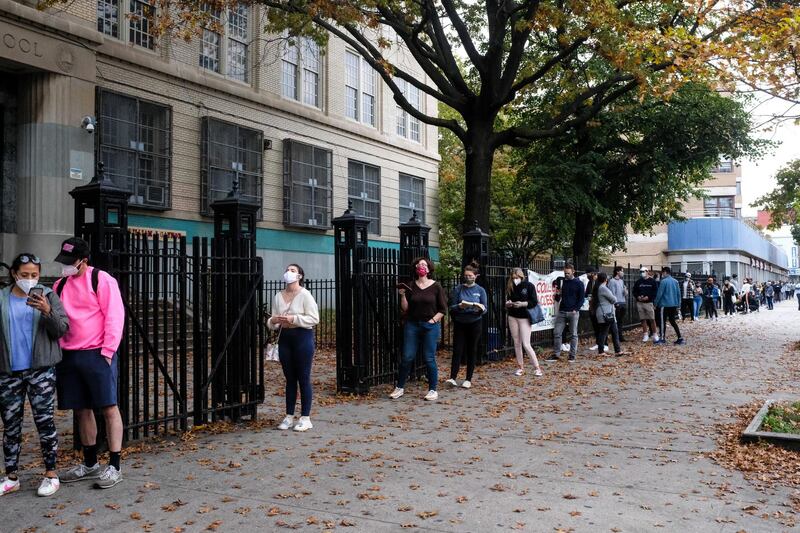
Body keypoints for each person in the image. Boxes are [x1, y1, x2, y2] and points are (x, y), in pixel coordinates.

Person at [53, 238, 125, 489]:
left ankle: (114, 466)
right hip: (69, 354)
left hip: (97, 352)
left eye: (70, 263)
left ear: (84, 261)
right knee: (81, 409)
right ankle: (90, 463)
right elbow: (58, 318)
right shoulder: (60, 284)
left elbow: (114, 316)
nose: (65, 267)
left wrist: (108, 351)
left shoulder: (102, 279)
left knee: (108, 407)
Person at [0, 254, 69, 497]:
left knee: (45, 422)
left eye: (34, 275)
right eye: (24, 275)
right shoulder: (2, 298)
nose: (30, 280)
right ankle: (11, 477)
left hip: (41, 370)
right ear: (14, 274)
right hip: (8, 372)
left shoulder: (48, 295)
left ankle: (51, 474)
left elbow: (62, 328)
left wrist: (48, 311)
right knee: (10, 425)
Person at [268, 264, 320, 432]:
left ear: (299, 276)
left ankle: (305, 417)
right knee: (289, 378)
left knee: (303, 377)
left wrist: (293, 319)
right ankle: (289, 415)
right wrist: (273, 321)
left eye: (293, 270)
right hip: (285, 339)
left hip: (302, 338)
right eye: (287, 270)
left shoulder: (305, 295)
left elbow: (314, 318)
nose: (288, 273)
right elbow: (272, 320)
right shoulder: (278, 296)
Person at [391, 258, 447, 401]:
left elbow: (443, 309)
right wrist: (403, 295)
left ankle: (433, 389)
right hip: (412, 325)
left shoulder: (436, 286)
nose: (421, 266)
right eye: (419, 265)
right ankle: (400, 387)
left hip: (430, 326)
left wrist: (433, 320)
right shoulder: (411, 286)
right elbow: (405, 309)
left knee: (429, 358)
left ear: (428, 269)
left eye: (424, 265)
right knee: (407, 357)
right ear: (416, 268)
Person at [446, 263, 488, 387]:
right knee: (457, 350)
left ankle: (468, 379)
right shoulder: (458, 289)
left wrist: (478, 308)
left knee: (472, 350)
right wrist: (459, 306)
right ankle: (453, 377)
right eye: (466, 275)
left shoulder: (480, 290)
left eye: (470, 275)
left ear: (476, 276)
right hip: (460, 322)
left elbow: (485, 308)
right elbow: (451, 307)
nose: (468, 278)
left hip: (475, 323)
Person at [503, 268, 542, 377]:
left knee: (526, 343)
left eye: (517, 278)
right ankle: (520, 366)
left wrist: (523, 304)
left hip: (524, 317)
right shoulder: (511, 286)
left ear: (521, 277)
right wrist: (508, 303)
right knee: (517, 342)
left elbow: (534, 301)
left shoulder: (529, 286)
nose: (515, 280)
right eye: (513, 278)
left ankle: (537, 367)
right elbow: (508, 299)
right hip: (512, 316)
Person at [546, 263, 584, 363]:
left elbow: (581, 299)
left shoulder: (579, 283)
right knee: (557, 332)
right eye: (565, 273)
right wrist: (557, 294)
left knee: (573, 334)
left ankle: (572, 355)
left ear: (573, 272)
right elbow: (558, 297)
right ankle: (556, 354)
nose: (566, 275)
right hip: (562, 311)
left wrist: (576, 309)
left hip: (573, 312)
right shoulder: (563, 282)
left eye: (568, 273)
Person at [594, 273, 628, 357]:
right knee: (603, 332)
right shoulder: (603, 288)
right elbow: (614, 299)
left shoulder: (599, 287)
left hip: (608, 314)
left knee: (614, 331)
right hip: (606, 314)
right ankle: (601, 351)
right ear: (606, 279)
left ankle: (618, 350)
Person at [654, 267, 684, 345]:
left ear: (665, 272)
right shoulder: (675, 281)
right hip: (673, 304)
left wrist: (655, 303)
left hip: (664, 304)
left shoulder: (663, 281)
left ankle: (662, 338)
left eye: (662, 273)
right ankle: (680, 337)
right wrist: (678, 304)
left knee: (662, 322)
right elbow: (678, 294)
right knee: (672, 321)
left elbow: (659, 293)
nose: (662, 274)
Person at [583, 268, 607, 353]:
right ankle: (598, 342)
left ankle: (605, 343)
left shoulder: (600, 284)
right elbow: (586, 294)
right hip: (591, 306)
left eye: (591, 274)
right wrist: (588, 297)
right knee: (595, 326)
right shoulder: (589, 283)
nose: (590, 276)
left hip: (598, 307)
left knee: (602, 326)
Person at [633, 267, 658, 342]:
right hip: (640, 303)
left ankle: (655, 334)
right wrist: (638, 296)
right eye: (640, 272)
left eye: (643, 271)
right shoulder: (638, 282)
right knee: (643, 319)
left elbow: (655, 292)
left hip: (649, 303)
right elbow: (634, 291)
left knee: (652, 319)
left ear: (647, 271)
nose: (641, 273)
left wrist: (649, 297)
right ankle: (645, 334)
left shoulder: (652, 281)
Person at [608, 266, 628, 342]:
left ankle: (620, 336)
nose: (623, 273)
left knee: (621, 321)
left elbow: (624, 292)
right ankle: (616, 337)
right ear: (617, 272)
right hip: (617, 304)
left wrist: (625, 291)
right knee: (616, 321)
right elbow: (612, 293)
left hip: (623, 302)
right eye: (622, 271)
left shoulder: (621, 281)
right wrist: (615, 303)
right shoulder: (612, 281)